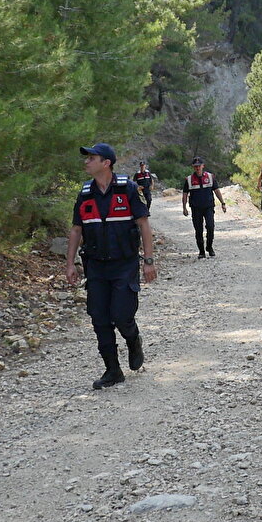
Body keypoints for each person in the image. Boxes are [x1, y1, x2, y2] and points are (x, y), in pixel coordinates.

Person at [66, 143, 158, 389]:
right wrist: (70, 264)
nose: (86, 162)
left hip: (124, 264)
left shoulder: (127, 189)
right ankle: (112, 370)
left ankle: (133, 338)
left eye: (91, 158)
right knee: (99, 318)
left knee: (121, 315)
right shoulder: (85, 194)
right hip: (95, 266)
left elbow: (144, 225)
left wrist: (148, 261)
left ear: (106, 163)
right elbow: (76, 230)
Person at [181, 156, 227, 258]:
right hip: (196, 208)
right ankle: (201, 251)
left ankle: (209, 247)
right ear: (193, 167)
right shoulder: (189, 180)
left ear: (203, 166)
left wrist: (223, 203)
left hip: (208, 207)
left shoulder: (210, 177)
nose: (197, 168)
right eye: (195, 166)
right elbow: (184, 194)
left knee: (210, 227)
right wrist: (184, 207)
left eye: (199, 166)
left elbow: (216, 190)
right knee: (198, 230)